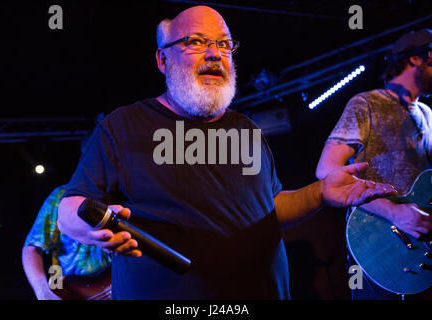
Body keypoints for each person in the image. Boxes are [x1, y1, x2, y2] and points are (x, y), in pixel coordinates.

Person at [57, 5, 396, 300]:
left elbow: (270, 208)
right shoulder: (123, 127)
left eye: (223, 43)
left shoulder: (247, 129)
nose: (214, 53)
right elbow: (70, 208)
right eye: (195, 41)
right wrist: (91, 228)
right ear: (162, 59)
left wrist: (319, 192)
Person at [316, 29, 432, 299]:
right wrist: (394, 213)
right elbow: (326, 170)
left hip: (421, 246)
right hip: (378, 244)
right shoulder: (366, 103)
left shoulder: (427, 114)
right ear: (417, 58)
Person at [22, 135, 112, 300]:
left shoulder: (127, 198)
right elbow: (32, 248)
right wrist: (43, 291)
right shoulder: (61, 197)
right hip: (69, 289)